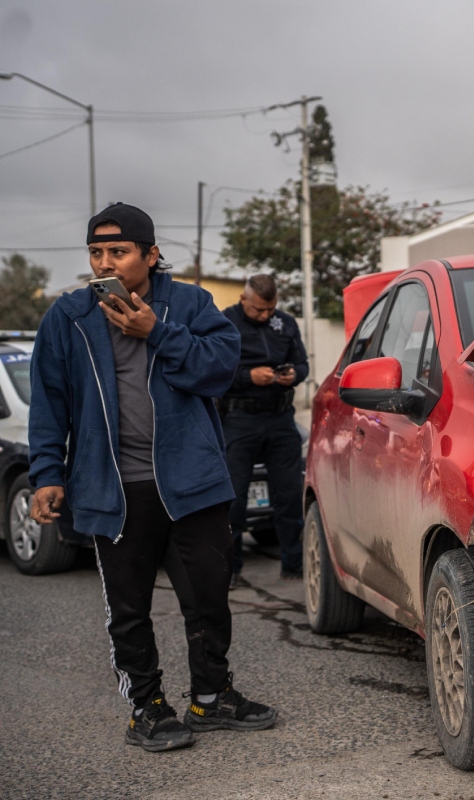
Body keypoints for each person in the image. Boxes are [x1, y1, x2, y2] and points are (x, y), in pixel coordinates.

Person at [28, 203, 277, 752]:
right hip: (115, 488)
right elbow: (49, 402)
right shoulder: (68, 316)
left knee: (208, 598)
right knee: (129, 607)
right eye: (96, 252)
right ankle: (147, 707)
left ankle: (211, 697)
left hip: (192, 482)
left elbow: (219, 371)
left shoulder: (189, 304)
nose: (105, 262)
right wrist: (47, 473)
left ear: (150, 254)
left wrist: (157, 332)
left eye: (118, 251)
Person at [220, 274, 309, 584]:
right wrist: (248, 376)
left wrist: (293, 375)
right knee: (233, 500)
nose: (265, 315)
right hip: (239, 420)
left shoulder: (285, 323)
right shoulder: (224, 322)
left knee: (289, 496)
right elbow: (212, 370)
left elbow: (302, 365)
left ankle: (293, 565)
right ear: (243, 299)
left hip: (281, 419)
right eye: (258, 309)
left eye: (270, 309)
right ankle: (230, 571)